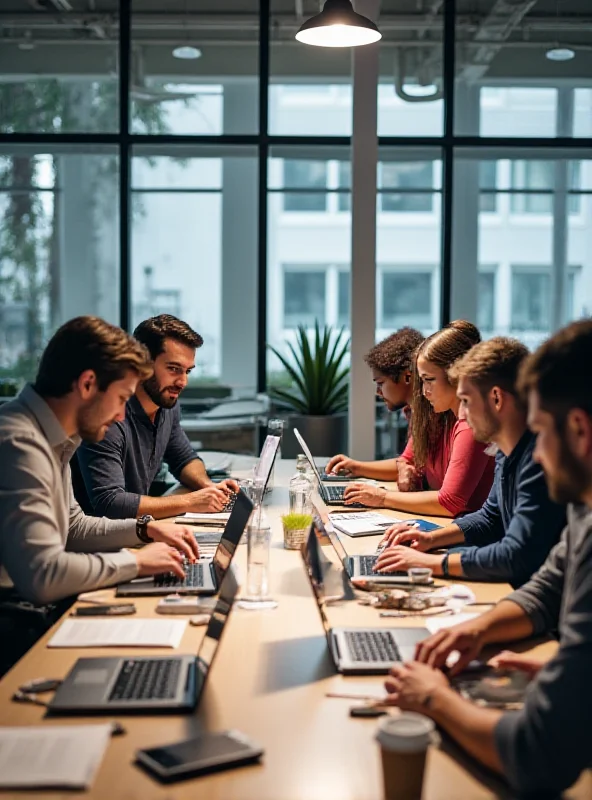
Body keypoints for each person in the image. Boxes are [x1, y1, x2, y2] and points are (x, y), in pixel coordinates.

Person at [384, 320, 592, 797]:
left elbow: (537, 755)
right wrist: (477, 628)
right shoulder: (584, 507)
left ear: (578, 430)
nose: (538, 456)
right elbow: (546, 587)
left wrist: (435, 699)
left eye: (541, 432)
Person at [0, 316, 200, 607]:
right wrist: (136, 562)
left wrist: (144, 529)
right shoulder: (20, 443)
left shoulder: (55, 437)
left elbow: (73, 528)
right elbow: (42, 577)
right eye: (121, 398)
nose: (121, 416)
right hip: (14, 617)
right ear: (88, 384)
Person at [375, 337, 566, 588]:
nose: (461, 414)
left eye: (465, 401)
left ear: (496, 398)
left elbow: (515, 555)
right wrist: (430, 539)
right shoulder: (504, 451)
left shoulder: (537, 460)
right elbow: (490, 518)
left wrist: (431, 562)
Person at [76, 314, 238, 520]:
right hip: (99, 543)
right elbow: (110, 503)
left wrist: (209, 488)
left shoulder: (167, 406)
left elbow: (184, 458)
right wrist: (192, 501)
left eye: (187, 371)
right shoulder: (109, 415)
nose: (182, 382)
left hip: (134, 531)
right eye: (173, 369)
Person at [343, 320, 494, 517]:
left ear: (457, 375)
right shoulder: (443, 414)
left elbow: (450, 502)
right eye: (422, 381)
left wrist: (382, 498)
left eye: (429, 380)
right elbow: (407, 460)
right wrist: (403, 468)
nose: (423, 392)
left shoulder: (470, 423)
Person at [326, 327, 424, 487]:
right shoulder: (414, 413)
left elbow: (450, 498)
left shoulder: (437, 418)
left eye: (380, 383)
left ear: (407, 376)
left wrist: (381, 497)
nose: (378, 392)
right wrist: (355, 467)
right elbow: (406, 461)